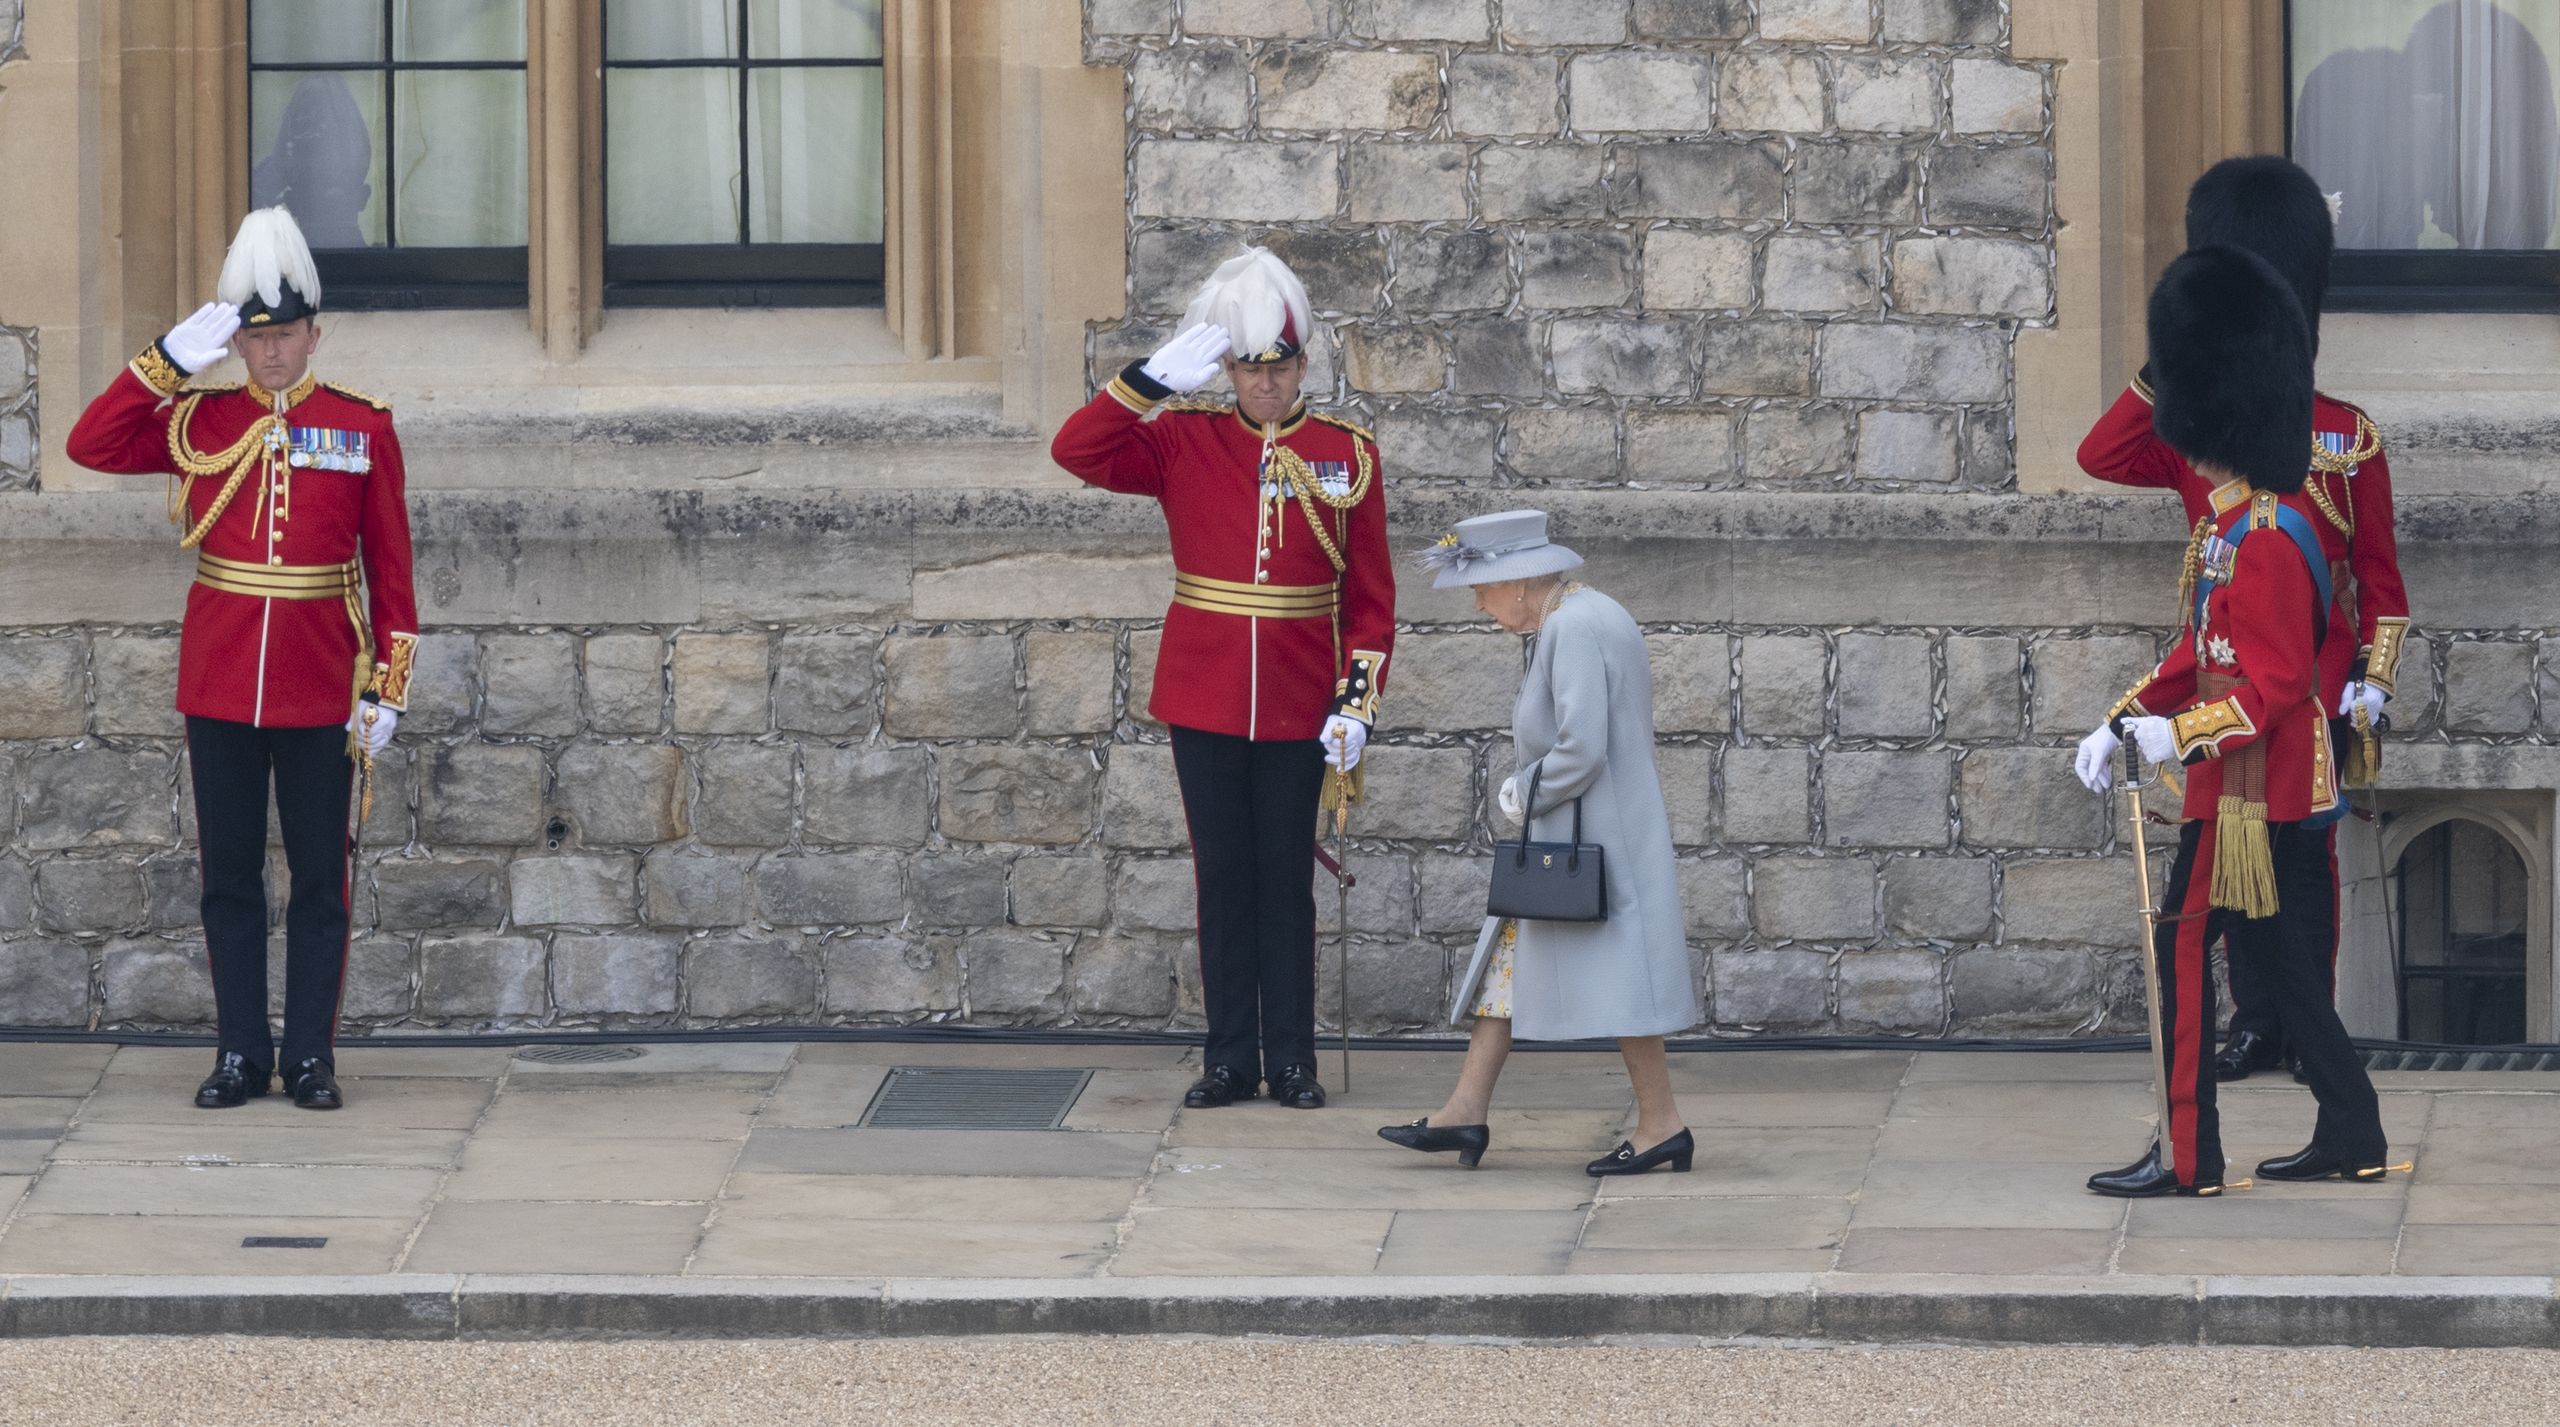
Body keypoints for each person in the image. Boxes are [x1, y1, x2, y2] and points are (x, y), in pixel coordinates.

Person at [66, 207, 417, 1112]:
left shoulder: (362, 426)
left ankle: (309, 1058)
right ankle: (239, 1052)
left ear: (313, 335)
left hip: (322, 683)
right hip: (221, 680)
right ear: (237, 341)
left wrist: (388, 685)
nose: (271, 352)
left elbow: (391, 568)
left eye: (285, 335)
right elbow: (89, 443)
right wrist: (162, 364)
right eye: (255, 337)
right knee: (228, 881)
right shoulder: (201, 419)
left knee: (320, 882)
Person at [2075, 155, 2411, 1085]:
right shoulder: (2200, 434)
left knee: (2303, 872)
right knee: (2229, 865)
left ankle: (2309, 1030)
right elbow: (2100, 453)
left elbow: (2380, 581)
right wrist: (2187, 346)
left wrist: (2373, 680)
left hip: (2312, 690)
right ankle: (2257, 1024)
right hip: (2223, 677)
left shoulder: (2347, 437)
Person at [1050, 247, 1393, 1112]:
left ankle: (1294, 1059)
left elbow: (1370, 599)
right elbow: (1074, 449)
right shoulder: (1182, 439)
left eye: (1278, 367)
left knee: (1287, 882)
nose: (1264, 384)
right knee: (1224, 879)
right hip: (1204, 695)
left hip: (1300, 699)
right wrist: (1145, 383)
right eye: (1247, 367)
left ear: (1303, 366)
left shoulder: (1345, 455)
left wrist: (1356, 704)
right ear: (1226, 369)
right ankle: (1231, 1057)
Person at [1376, 511, 1699, 1177]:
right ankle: (1466, 1110)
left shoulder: (1572, 626)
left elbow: (1581, 747)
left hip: (1592, 840)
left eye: (1481, 589)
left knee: (1624, 985)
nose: (1479, 604)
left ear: (1519, 581)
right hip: (1599, 833)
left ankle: (1662, 1124)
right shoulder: (1591, 611)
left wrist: (1519, 793)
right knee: (1511, 965)